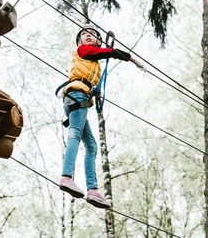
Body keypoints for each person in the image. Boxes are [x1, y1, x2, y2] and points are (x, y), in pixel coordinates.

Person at [59, 23, 145, 209]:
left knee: (91, 146)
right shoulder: (83, 51)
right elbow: (110, 53)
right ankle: (66, 176)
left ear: (98, 41)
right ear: (80, 41)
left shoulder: (92, 65)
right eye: (84, 34)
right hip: (77, 95)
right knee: (74, 134)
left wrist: (96, 96)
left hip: (78, 98)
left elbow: (99, 68)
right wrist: (131, 58)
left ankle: (93, 190)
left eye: (93, 34)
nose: (88, 36)